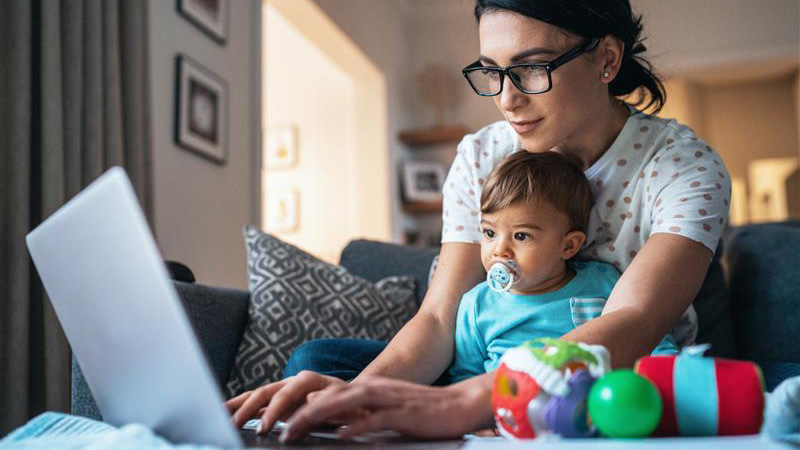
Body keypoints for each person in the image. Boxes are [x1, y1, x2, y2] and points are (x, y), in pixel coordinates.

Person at [227, 0, 731, 441]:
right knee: (317, 368)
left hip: (621, 375)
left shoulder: (682, 164)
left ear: (606, 58)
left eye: (533, 68)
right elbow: (440, 318)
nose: (507, 98)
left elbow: (633, 321)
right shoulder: (481, 153)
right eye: (493, 71)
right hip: (485, 361)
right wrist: (362, 396)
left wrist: (467, 402)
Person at [450, 150, 677, 385]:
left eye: (521, 236)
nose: (500, 250)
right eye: (489, 233)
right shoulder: (476, 306)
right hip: (513, 413)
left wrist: (667, 376)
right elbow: (464, 377)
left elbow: (651, 340)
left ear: (568, 246)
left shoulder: (602, 282)